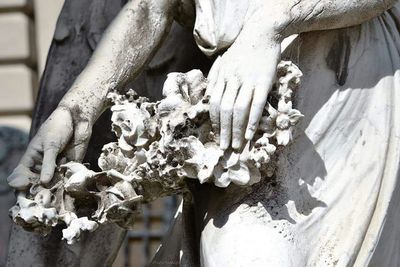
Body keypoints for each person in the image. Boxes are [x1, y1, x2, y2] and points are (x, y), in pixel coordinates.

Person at [8, 0, 400, 265]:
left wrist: (270, 25)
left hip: (345, 95)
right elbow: (149, 8)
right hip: (236, 116)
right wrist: (75, 110)